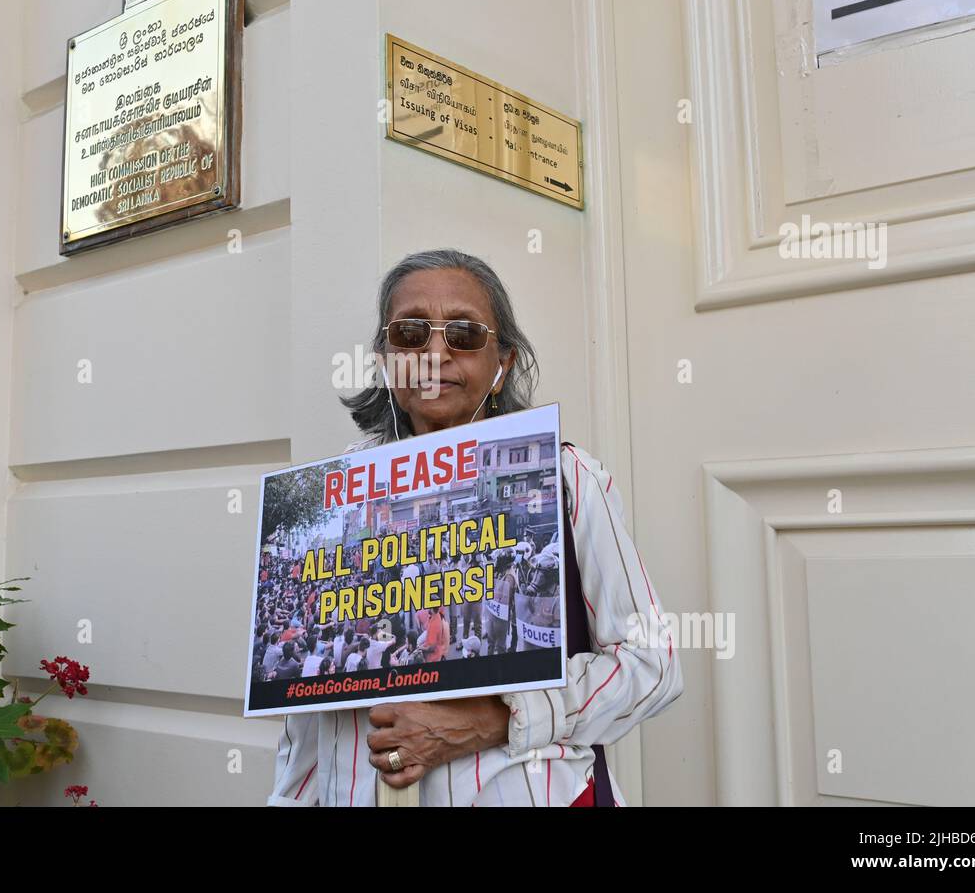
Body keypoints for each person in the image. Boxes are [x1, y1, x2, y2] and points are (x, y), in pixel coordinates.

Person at [268, 249, 682, 806]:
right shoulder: (339, 495)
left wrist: (494, 720)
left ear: (503, 362)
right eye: (410, 332)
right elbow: (304, 733)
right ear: (388, 358)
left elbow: (651, 664)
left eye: (463, 333)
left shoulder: (566, 475)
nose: (434, 352)